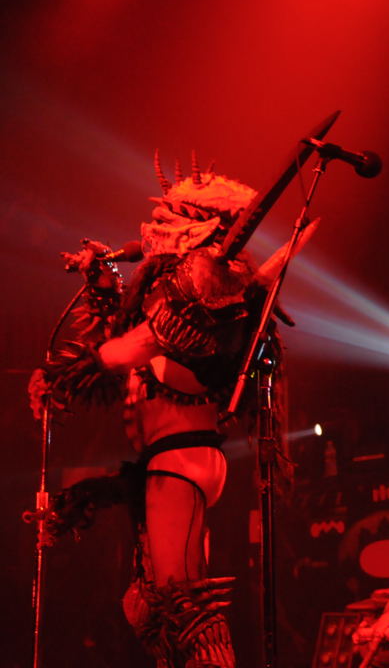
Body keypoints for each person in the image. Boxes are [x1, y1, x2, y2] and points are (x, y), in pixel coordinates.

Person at [28, 152, 284, 668]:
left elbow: (135, 346)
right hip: (167, 460)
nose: (152, 226)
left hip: (182, 458)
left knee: (181, 601)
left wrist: (64, 376)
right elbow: (124, 338)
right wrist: (103, 283)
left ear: (199, 224)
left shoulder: (206, 284)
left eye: (171, 214)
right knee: (147, 604)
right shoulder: (169, 290)